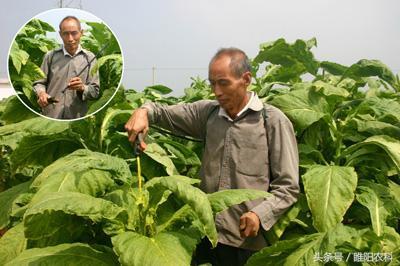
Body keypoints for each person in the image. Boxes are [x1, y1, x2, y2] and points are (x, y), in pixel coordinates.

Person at [125, 48, 299, 266]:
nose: (216, 91)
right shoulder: (208, 114)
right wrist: (143, 112)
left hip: (246, 242)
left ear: (245, 79)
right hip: (204, 235)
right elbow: (162, 113)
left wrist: (259, 215)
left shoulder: (272, 121)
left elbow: (288, 187)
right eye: (212, 83)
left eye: (223, 83)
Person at [33, 16, 100, 119]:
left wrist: (82, 88)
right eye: (66, 34)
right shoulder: (50, 56)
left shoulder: (90, 58)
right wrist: (42, 93)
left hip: (77, 118)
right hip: (51, 116)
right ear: (60, 34)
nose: (70, 39)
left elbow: (95, 92)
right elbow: (39, 82)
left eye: (74, 33)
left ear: (81, 32)